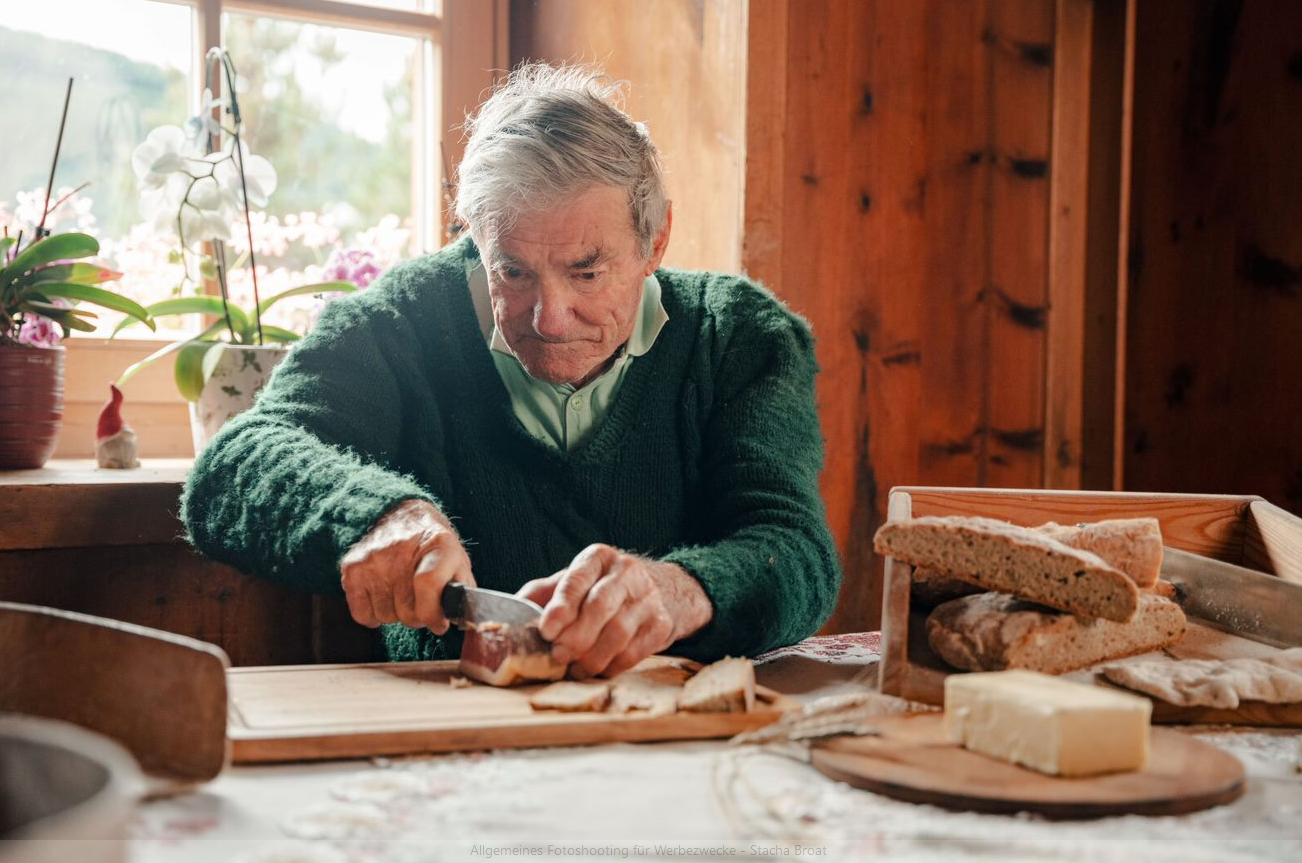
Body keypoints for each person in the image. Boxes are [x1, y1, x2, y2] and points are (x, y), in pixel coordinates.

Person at [181, 63, 842, 677]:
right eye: (513, 271)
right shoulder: (398, 323)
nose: (549, 317)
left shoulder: (740, 337)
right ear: (475, 232)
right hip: (448, 732)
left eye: (587, 271)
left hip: (679, 737)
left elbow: (796, 550)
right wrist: (378, 514)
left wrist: (682, 591)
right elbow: (231, 467)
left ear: (655, 240)